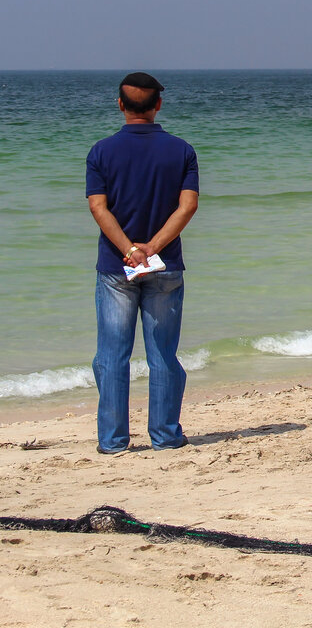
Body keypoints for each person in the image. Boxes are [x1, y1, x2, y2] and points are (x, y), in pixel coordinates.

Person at [85, 72, 199, 454]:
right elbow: (188, 206)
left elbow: (98, 208)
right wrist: (152, 247)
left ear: (120, 105)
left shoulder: (101, 151)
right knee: (162, 353)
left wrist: (129, 250)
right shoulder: (181, 150)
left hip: (116, 267)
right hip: (164, 264)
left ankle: (113, 441)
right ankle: (165, 436)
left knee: (112, 355)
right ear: (157, 105)